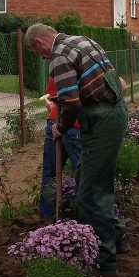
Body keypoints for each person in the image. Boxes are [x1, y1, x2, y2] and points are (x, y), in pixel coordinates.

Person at [26, 24, 129, 277]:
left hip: (100, 119)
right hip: (114, 112)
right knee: (86, 177)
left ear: (39, 42)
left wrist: (60, 128)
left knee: (90, 195)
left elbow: (71, 103)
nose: (43, 58)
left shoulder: (59, 56)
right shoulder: (82, 41)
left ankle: (105, 262)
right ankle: (118, 237)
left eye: (39, 54)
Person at [39, 76, 82, 219]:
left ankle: (47, 216)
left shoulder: (57, 66)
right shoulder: (85, 65)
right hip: (76, 123)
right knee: (83, 172)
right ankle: (86, 215)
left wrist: (52, 106)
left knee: (50, 172)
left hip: (54, 121)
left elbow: (52, 98)